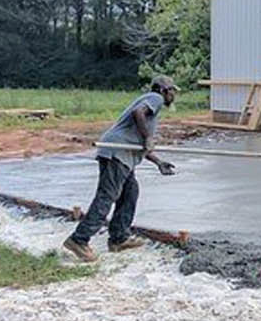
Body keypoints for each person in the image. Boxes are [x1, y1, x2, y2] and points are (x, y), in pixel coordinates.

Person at [63, 76, 178, 262]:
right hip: (117, 153)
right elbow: (137, 113)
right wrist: (148, 138)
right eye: (172, 90)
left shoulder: (150, 107)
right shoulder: (154, 99)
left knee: (130, 192)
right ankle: (79, 240)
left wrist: (158, 162)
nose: (174, 94)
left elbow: (138, 145)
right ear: (163, 90)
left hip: (123, 154)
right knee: (107, 196)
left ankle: (118, 238)